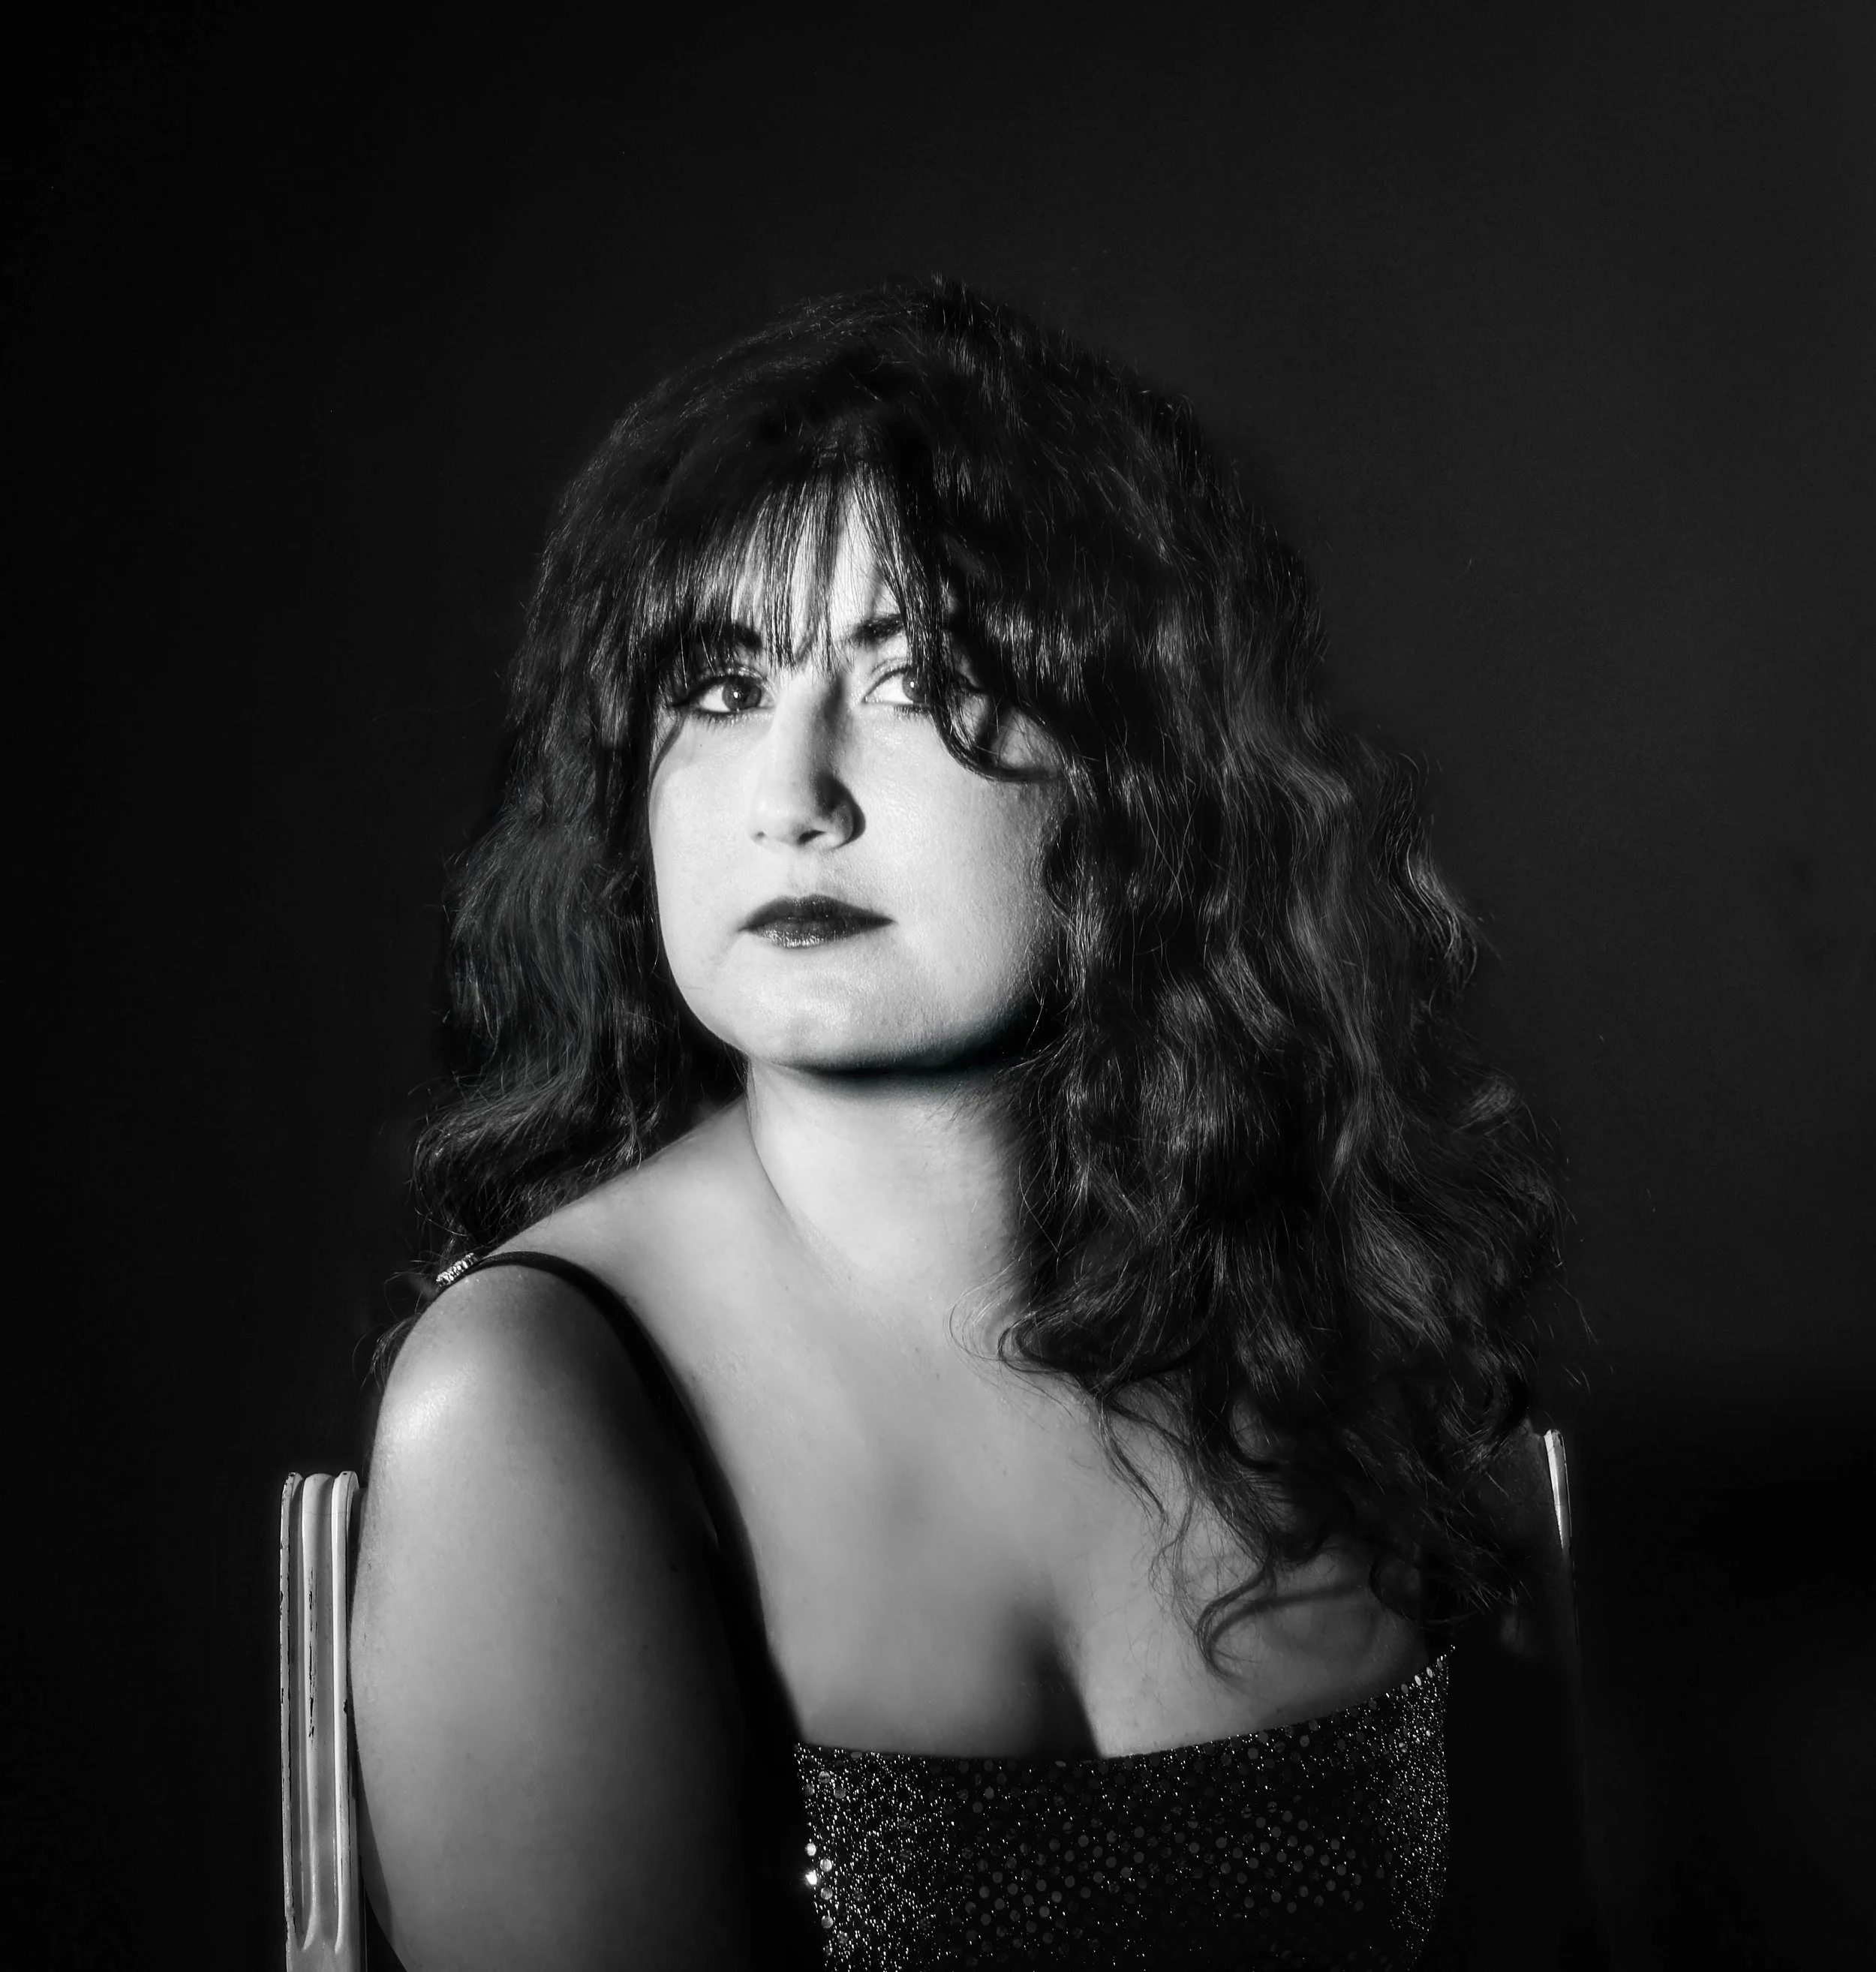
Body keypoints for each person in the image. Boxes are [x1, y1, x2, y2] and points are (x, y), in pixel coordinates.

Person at [350, 281, 1592, 1971]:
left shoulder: (1329, 1329)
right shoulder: (533, 1394)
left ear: (1143, 773)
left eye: (921, 677)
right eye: (718, 687)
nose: (792, 795)